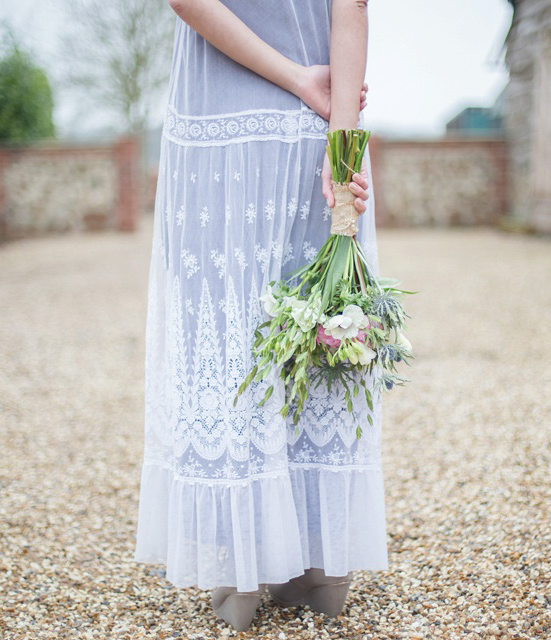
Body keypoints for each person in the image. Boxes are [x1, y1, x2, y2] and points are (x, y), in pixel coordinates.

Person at [133, 0, 385, 631]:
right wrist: (343, 140)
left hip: (222, 116)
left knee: (231, 328)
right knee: (318, 323)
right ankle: (319, 570)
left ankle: (241, 572)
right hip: (316, 119)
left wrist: (298, 80)